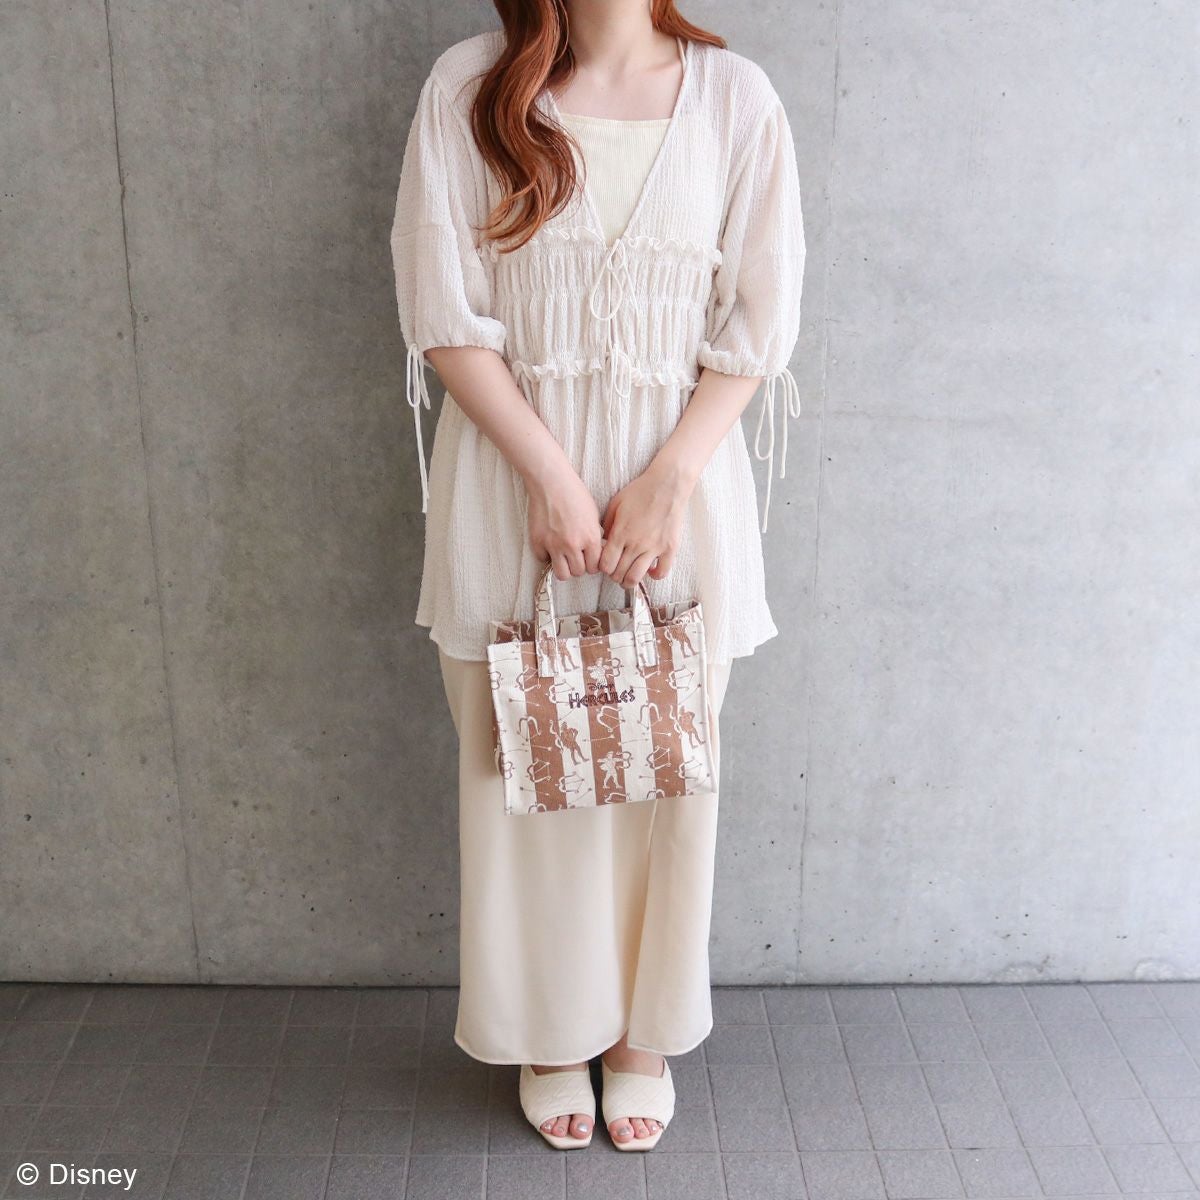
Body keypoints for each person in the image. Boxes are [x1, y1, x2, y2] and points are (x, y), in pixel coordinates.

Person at [390, 0, 805, 1152]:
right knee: (520, 774)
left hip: (680, 499)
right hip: (509, 491)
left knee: (665, 776)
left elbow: (761, 312)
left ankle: (640, 1037)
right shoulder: (470, 87)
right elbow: (440, 307)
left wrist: (670, 477)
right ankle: (549, 1029)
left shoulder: (736, 99)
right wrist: (548, 478)